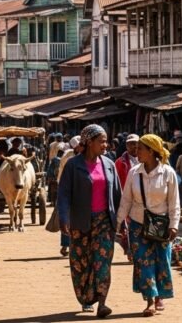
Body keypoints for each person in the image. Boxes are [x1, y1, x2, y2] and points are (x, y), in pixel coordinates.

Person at [57, 124, 121, 318]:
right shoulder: (73, 165)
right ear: (89, 142)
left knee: (103, 262)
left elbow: (117, 194)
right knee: (81, 262)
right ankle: (86, 298)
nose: (105, 145)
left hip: (104, 221)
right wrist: (64, 218)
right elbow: (64, 195)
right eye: (101, 141)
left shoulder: (109, 164)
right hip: (80, 221)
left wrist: (122, 222)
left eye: (106, 141)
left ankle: (102, 302)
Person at [117, 134, 180, 317]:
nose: (137, 152)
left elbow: (174, 202)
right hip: (138, 225)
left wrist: (174, 225)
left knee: (162, 260)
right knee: (143, 262)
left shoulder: (168, 173)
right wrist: (119, 222)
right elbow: (126, 199)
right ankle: (150, 300)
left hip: (162, 225)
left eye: (141, 149)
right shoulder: (134, 172)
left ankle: (160, 294)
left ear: (151, 151)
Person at [57, 135, 84, 257]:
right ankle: (65, 244)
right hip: (69, 190)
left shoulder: (88, 156)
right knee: (66, 218)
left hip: (82, 192)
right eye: (78, 146)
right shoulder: (67, 156)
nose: (80, 148)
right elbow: (61, 172)